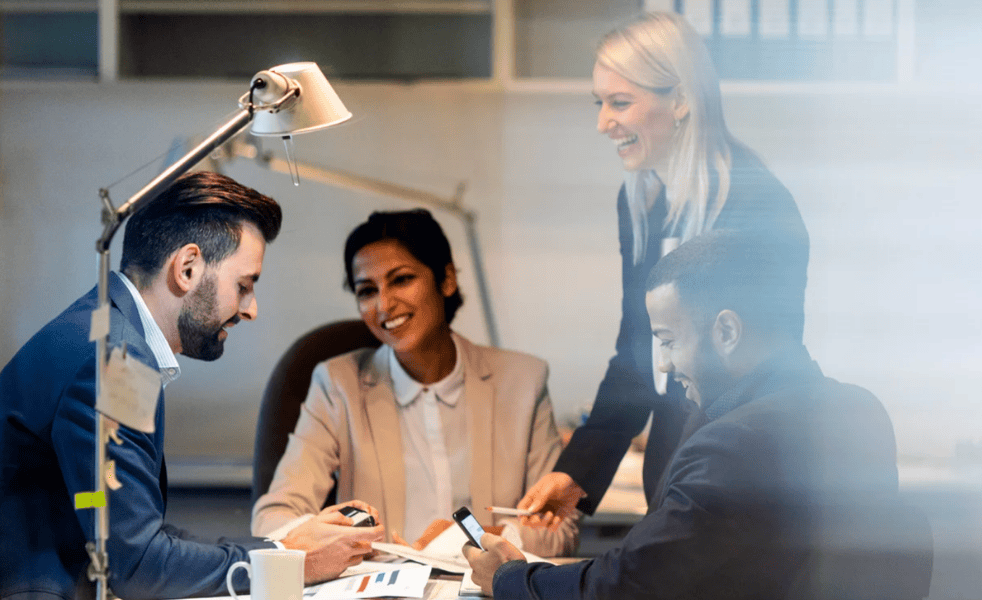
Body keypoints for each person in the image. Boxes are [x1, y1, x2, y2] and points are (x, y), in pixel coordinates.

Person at [466, 231, 930, 599]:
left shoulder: (732, 447)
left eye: (668, 340)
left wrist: (508, 578)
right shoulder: (860, 409)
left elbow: (626, 586)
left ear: (726, 330)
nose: (665, 365)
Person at [0, 172, 384, 600]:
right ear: (186, 268)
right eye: (244, 285)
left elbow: (139, 538)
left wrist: (283, 550)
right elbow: (139, 565)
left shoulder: (106, 332)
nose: (250, 309)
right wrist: (291, 560)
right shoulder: (117, 362)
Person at [519, 11, 808, 525]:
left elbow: (761, 376)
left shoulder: (757, 204)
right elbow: (637, 354)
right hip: (675, 482)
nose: (603, 122)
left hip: (739, 485)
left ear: (679, 101)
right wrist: (577, 473)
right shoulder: (644, 203)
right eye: (600, 103)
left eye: (620, 102)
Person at [251, 209, 578, 557]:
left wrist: (464, 538)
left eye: (402, 279)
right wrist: (327, 537)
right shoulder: (337, 386)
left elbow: (561, 530)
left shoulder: (523, 382)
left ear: (447, 279)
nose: (385, 305)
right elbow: (273, 518)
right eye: (367, 290)